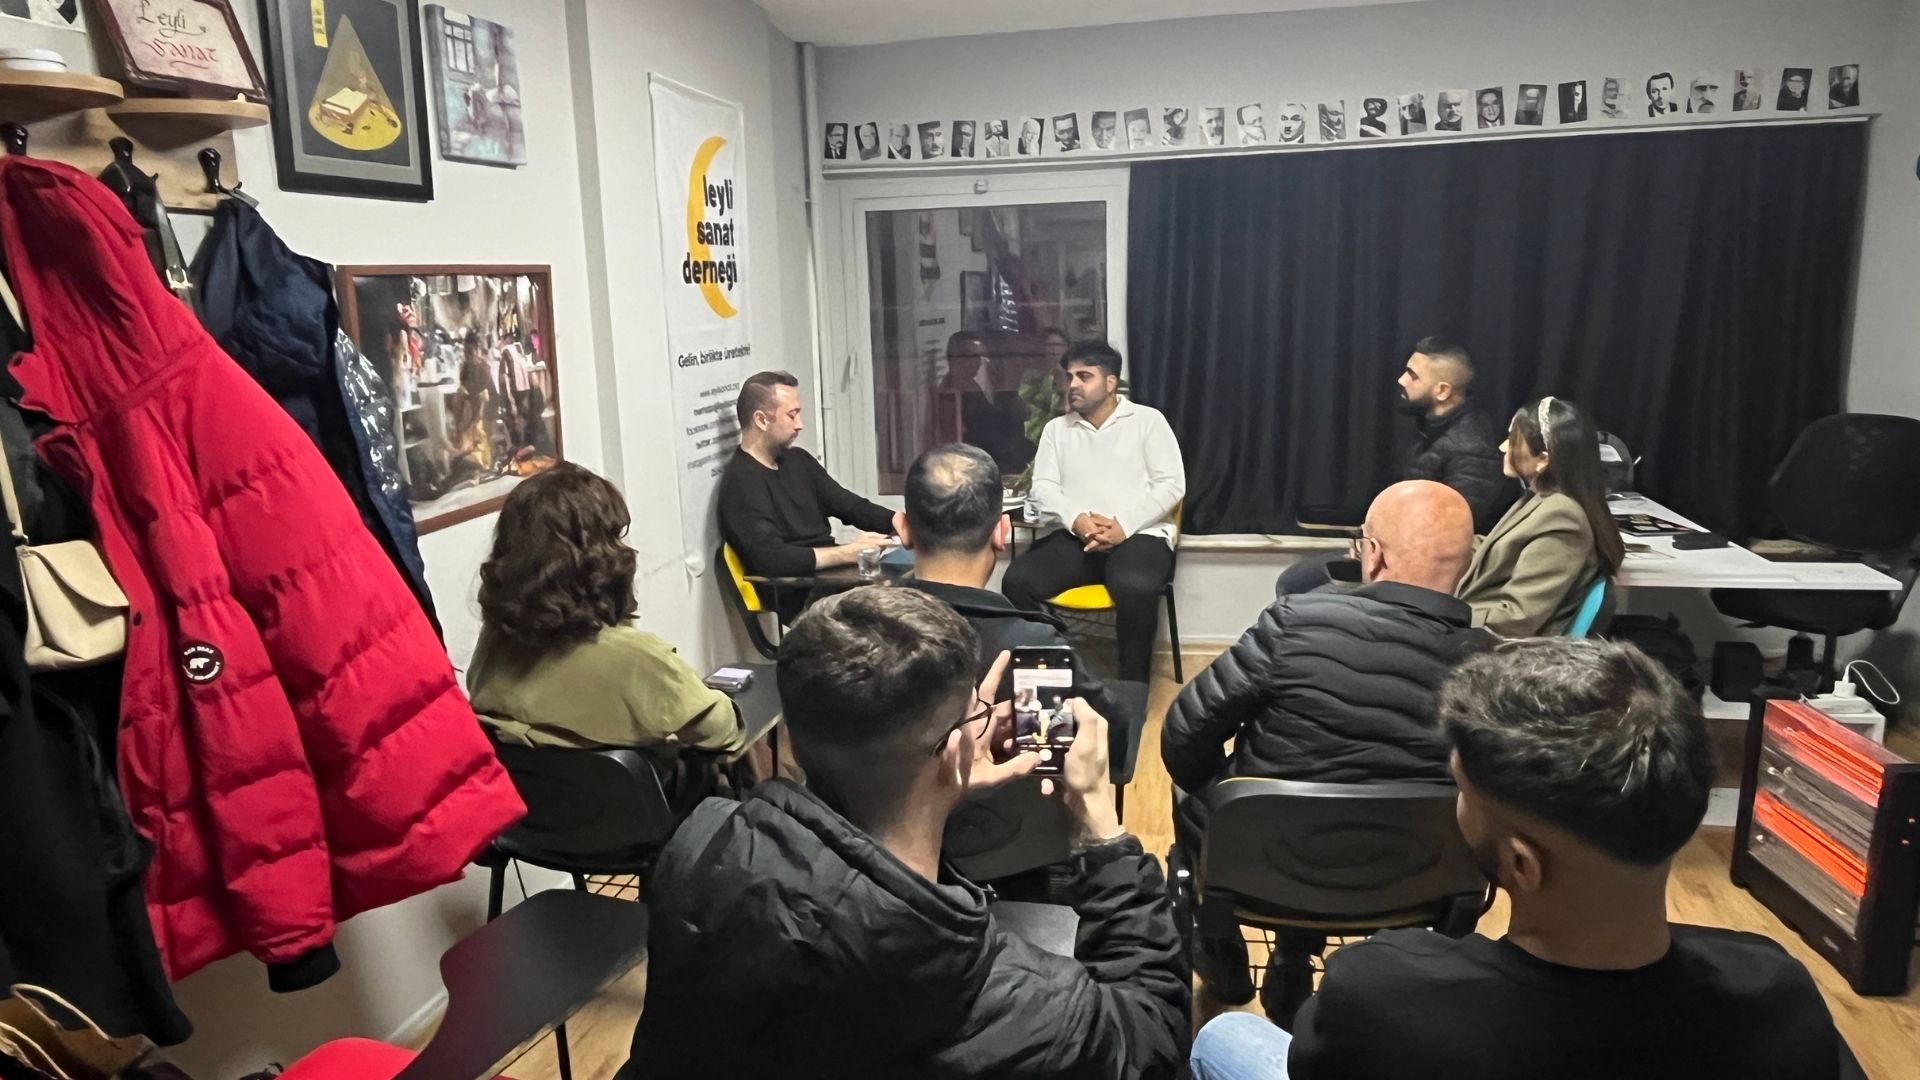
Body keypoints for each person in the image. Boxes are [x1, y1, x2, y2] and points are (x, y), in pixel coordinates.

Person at [1191, 637, 1842, 1080]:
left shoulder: (1379, 994)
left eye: (1462, 793)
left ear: (1523, 864)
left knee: (1224, 1039)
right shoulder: (1774, 993)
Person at [618, 587, 1190, 1079]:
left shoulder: (700, 850)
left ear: (791, 736)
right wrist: (1100, 828)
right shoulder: (984, 990)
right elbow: (1152, 1037)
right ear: (955, 751)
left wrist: (943, 781)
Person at [1166, 481, 1491, 1008]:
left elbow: (1183, 737)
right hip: (1412, 882)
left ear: (1374, 554)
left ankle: (1223, 955)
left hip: (1263, 869)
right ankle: (1294, 957)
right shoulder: (1493, 666)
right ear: (1467, 565)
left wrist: (1228, 790)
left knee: (1194, 796)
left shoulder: (1295, 621)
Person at [469, 463, 745, 771]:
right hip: (649, 800)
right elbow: (722, 731)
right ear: (599, 555)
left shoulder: (493, 645)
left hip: (532, 800)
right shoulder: (639, 660)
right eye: (615, 537)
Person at [898, 443, 1131, 732]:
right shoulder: (1034, 649)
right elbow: (1109, 728)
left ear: (903, 528)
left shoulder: (860, 623)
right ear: (1002, 532)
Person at [1003, 342, 1185, 683]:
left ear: (1111, 382)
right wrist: (1079, 521)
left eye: (1084, 376)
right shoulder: (1057, 430)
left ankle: (1132, 689)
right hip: (1078, 537)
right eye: (1069, 376)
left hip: (1139, 535)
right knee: (1017, 581)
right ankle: (1054, 672)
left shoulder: (1148, 421)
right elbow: (1043, 487)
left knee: (1135, 586)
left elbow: (1171, 485)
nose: (1072, 384)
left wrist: (1122, 525)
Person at [1275, 337, 1510, 597]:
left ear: (1443, 391)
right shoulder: (1434, 431)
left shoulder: (1472, 447)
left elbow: (1446, 534)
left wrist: (1376, 549)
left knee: (1299, 590)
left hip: (1420, 567)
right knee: (1294, 582)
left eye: (1413, 375)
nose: (1401, 380)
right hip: (1392, 550)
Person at [716, 371, 894, 622]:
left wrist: (899, 521)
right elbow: (772, 559)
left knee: (913, 595)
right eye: (792, 415)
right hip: (801, 595)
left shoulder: (798, 461)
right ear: (761, 420)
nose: (799, 424)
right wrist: (848, 553)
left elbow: (847, 504)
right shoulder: (741, 484)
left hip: (832, 582)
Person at [1455, 396, 1624, 637]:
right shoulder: (1541, 499)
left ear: (1543, 459)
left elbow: (1518, 617)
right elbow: (1500, 548)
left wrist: (1445, 616)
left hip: (1500, 648)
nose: (1502, 447)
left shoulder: (1562, 517)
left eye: (1512, 440)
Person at [938, 332, 1030, 472]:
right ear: (957, 358)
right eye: (974, 356)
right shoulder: (950, 393)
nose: (979, 362)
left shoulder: (972, 385)